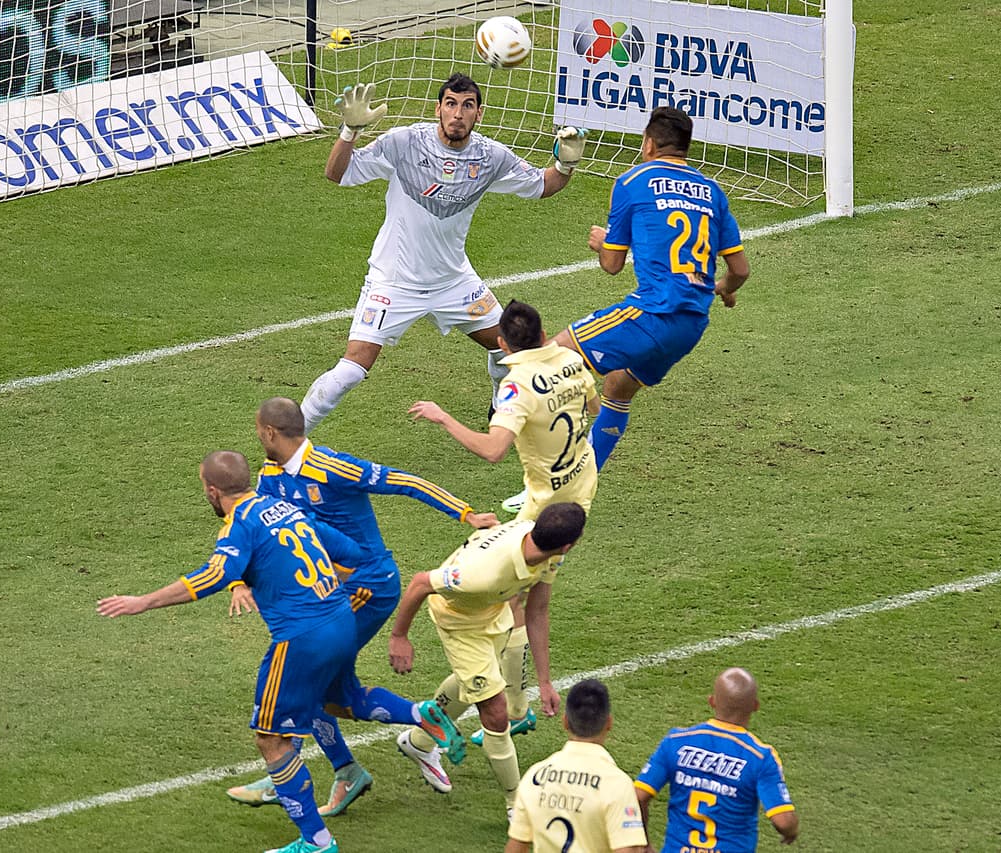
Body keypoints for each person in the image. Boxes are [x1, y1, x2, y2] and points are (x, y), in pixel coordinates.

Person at [96, 450, 465, 853]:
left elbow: (214, 575)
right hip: (341, 616)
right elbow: (350, 552)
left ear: (212, 490)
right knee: (337, 698)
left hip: (301, 638)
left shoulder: (239, 525)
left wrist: (143, 602)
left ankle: (316, 841)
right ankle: (421, 714)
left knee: (271, 738)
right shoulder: (286, 508)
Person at [225, 397, 499, 816]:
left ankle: (290, 775)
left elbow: (404, 481)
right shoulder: (270, 476)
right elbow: (255, 526)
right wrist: (239, 581)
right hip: (328, 592)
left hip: (370, 585)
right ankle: (366, 756)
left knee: (306, 674)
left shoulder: (332, 467)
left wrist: (466, 515)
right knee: (330, 692)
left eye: (258, 431)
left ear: (269, 432)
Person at [299, 73, 587, 434]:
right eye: (451, 104)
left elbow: (544, 185)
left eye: (467, 106)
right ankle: (290, 440)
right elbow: (337, 173)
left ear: (479, 113)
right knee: (351, 371)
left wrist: (565, 165)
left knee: (508, 348)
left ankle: (500, 404)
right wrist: (349, 132)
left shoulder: (490, 157)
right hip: (394, 283)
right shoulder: (404, 143)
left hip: (454, 282)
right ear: (438, 108)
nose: (458, 113)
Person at [409, 298, 598, 746]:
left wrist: (443, 417)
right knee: (521, 600)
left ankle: (512, 708)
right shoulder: (571, 358)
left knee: (512, 603)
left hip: (545, 506)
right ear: (542, 332)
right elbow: (593, 406)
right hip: (581, 488)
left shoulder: (517, 385)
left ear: (502, 343)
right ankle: (510, 704)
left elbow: (493, 449)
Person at [553, 106, 750, 474]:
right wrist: (721, 288)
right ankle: (583, 479)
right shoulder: (712, 191)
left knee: (549, 359)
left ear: (648, 144)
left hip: (653, 314)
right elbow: (740, 271)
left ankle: (547, 473)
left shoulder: (632, 182)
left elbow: (612, 265)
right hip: (691, 326)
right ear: (685, 147)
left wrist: (603, 243)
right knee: (618, 387)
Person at [388, 502, 587, 815]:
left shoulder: (547, 551)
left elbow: (537, 610)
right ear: (569, 544)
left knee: (479, 682)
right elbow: (421, 583)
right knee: (495, 712)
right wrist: (399, 637)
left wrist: (545, 681)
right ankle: (516, 805)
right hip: (459, 621)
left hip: (492, 613)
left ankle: (418, 742)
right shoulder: (483, 574)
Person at [635, 668, 798, 852]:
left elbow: (638, 797)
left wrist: (644, 844)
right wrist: (792, 830)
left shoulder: (675, 742)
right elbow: (783, 822)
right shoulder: (760, 757)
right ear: (755, 706)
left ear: (712, 701)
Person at [505, 679, 647, 853]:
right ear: (609, 723)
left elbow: (516, 847)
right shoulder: (617, 784)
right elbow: (627, 850)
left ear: (565, 722)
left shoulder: (535, 776)